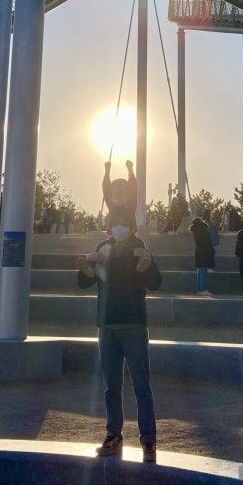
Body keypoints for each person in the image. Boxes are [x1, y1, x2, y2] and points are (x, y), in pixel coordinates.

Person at [77, 159, 160, 464]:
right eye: (115, 223)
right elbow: (84, 282)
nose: (119, 226)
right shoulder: (103, 248)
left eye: (123, 223)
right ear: (110, 224)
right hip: (107, 326)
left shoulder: (141, 246)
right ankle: (114, 434)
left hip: (134, 325)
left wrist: (131, 174)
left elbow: (156, 281)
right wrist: (86, 267)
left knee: (141, 385)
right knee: (111, 386)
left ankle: (148, 440)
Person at [189, 216, 215, 295]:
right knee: (203, 270)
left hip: (198, 251)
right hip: (205, 252)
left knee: (200, 270)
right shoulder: (204, 230)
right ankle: (203, 289)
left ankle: (200, 290)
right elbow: (208, 242)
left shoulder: (195, 230)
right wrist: (212, 251)